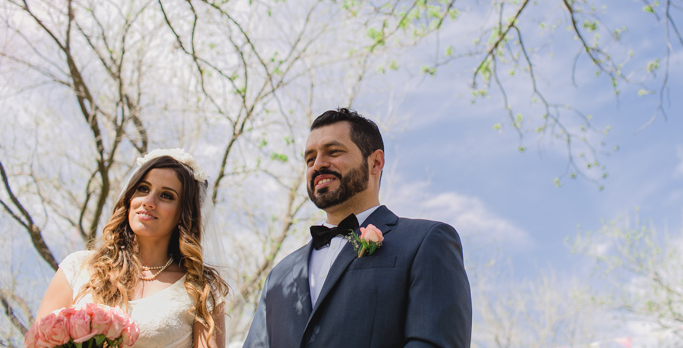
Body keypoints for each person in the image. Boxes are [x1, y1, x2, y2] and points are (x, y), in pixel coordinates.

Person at [243, 108, 472, 347]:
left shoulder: (426, 241)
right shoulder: (279, 275)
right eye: (310, 159)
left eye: (333, 152)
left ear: (375, 162)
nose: (318, 164)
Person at [33, 149, 231, 348]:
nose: (148, 202)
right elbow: (38, 341)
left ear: (183, 214)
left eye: (166, 196)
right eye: (143, 189)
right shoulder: (78, 267)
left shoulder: (200, 289)